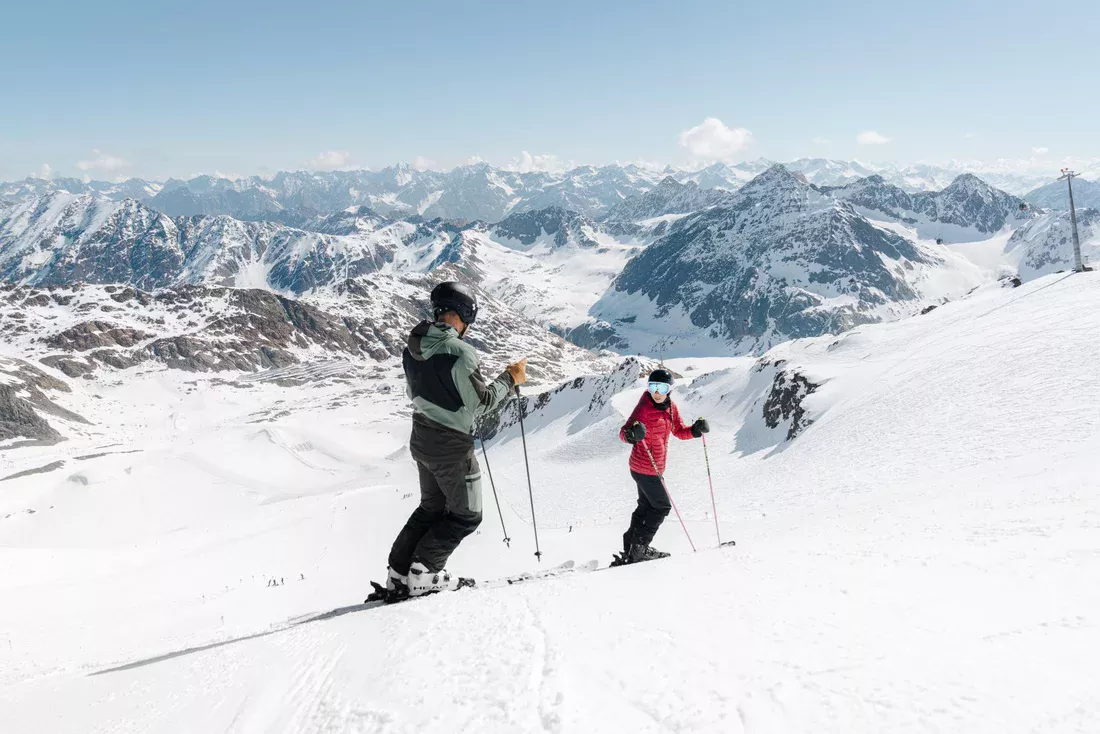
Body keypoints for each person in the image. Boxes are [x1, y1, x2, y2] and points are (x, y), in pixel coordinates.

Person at [384, 281, 528, 598]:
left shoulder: (413, 347)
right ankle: (424, 574)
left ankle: (398, 572)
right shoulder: (460, 353)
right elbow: (482, 403)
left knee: (431, 508)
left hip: (421, 438)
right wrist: (511, 378)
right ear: (462, 315)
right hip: (451, 447)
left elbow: (416, 392)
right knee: (467, 515)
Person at [618, 368, 709, 563]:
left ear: (670, 389)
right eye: (652, 387)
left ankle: (631, 544)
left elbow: (678, 430)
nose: (657, 392)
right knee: (661, 506)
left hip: (654, 467)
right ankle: (640, 547)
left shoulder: (670, 408)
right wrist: (631, 435)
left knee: (646, 506)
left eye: (661, 387)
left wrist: (694, 430)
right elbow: (624, 432)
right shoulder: (643, 408)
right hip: (644, 467)